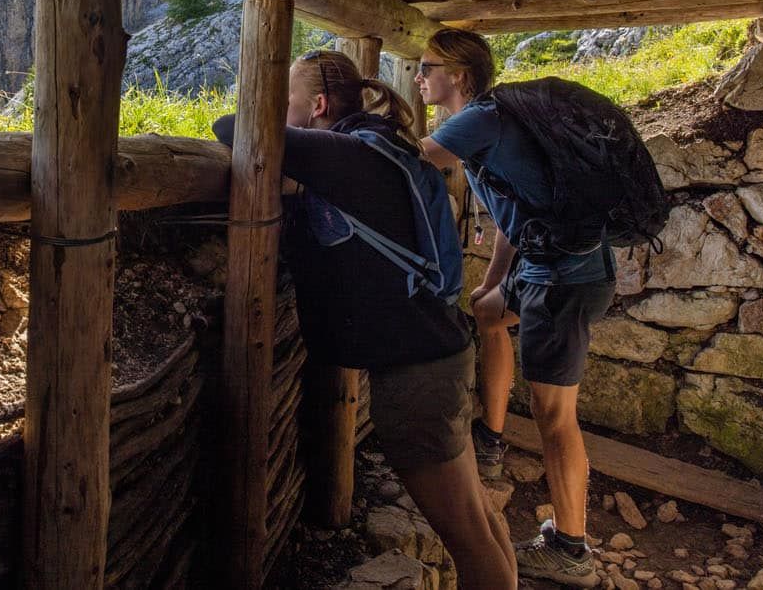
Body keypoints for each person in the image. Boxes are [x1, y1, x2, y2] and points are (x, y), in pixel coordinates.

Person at [213, 49, 516, 590]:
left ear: (321, 105)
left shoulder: (349, 157)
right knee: (476, 515)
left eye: (290, 102)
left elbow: (234, 127)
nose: (282, 111)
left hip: (418, 372)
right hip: (438, 351)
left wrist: (274, 121)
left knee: (466, 534)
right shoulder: (383, 145)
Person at [417, 29, 615, 588]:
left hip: (564, 280)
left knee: (555, 417)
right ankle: (493, 439)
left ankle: (572, 550)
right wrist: (494, 283)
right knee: (486, 313)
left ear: (456, 75)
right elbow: (512, 215)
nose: (417, 77)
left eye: (426, 67)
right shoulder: (494, 121)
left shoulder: (477, 119)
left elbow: (410, 160)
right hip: (542, 271)